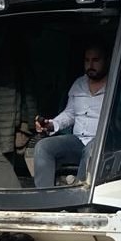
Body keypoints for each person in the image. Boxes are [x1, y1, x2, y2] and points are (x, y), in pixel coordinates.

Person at [33, 44, 109, 188]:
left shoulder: (117, 85)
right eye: (87, 60)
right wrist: (51, 124)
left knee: (93, 149)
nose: (90, 65)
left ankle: (77, 197)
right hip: (77, 141)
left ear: (107, 60)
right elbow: (70, 113)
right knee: (43, 147)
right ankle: (45, 198)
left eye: (95, 60)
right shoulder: (79, 84)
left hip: (103, 144)